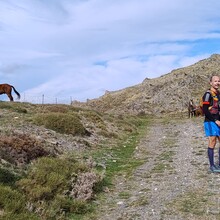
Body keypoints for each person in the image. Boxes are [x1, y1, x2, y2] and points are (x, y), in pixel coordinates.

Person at [202, 75, 220, 173]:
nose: (217, 83)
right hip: (210, 121)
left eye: (219, 81)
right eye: (215, 81)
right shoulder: (208, 94)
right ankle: (212, 166)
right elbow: (205, 110)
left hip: (218, 121)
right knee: (212, 142)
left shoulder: (218, 94)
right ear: (211, 83)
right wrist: (215, 120)